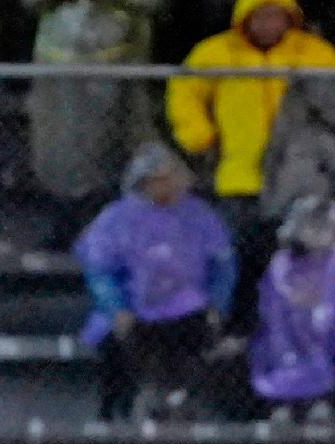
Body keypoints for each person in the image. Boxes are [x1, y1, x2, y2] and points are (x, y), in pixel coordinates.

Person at [75, 144, 239, 421]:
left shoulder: (200, 215)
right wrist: (118, 309)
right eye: (160, 179)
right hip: (136, 310)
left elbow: (223, 265)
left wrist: (217, 304)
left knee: (197, 335)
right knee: (127, 339)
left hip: (188, 309)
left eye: (173, 176)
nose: (170, 184)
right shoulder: (116, 219)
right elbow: (100, 271)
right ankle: (138, 400)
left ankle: (181, 398)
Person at [166, 0, 335, 213]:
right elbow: (184, 93)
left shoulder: (316, 53)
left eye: (275, 16)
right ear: (245, 17)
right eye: (261, 16)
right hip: (238, 178)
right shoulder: (215, 51)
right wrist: (199, 136)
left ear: (289, 17)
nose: (268, 24)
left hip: (299, 178)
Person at [25, 0, 162, 240]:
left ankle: (111, 225)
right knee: (59, 145)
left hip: (118, 58)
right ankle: (65, 222)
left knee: (113, 138)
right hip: (58, 64)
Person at [249, 195, 335, 420]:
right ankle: (284, 402)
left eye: (324, 225)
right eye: (311, 225)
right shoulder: (283, 262)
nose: (320, 232)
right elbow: (273, 305)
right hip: (289, 337)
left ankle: (324, 402)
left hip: (333, 337)